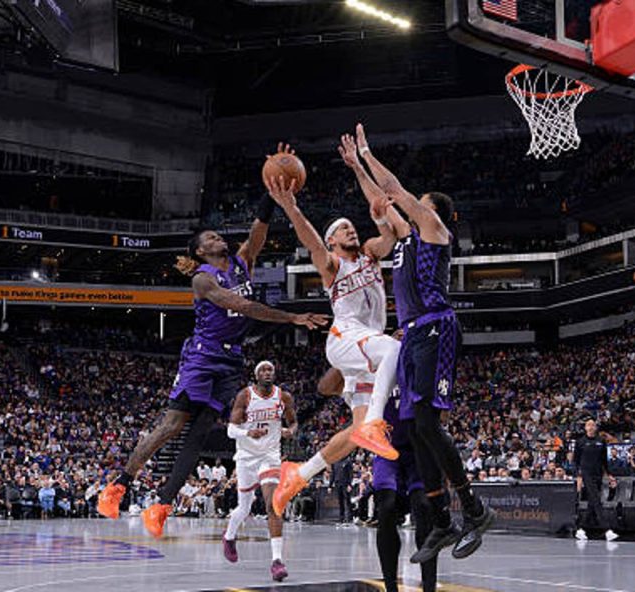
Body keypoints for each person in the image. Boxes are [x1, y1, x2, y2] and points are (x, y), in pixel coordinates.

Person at [97, 171, 329, 537]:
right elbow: (243, 305)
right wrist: (293, 317)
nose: (217, 236)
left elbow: (261, 225)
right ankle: (119, 485)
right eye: (209, 237)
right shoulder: (202, 279)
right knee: (172, 426)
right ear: (201, 251)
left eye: (217, 233)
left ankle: (161, 506)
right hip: (202, 357)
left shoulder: (242, 261)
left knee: (199, 435)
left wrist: (273, 188)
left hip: (231, 359)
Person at [356, 123, 494, 562]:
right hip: (413, 332)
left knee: (429, 424)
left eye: (419, 206)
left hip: (436, 326)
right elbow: (381, 203)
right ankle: (441, 520)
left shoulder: (434, 229)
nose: (411, 211)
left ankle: (473, 511)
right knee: (415, 430)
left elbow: (393, 190)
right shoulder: (405, 239)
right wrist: (355, 169)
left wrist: (367, 153)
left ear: (432, 211)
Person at [269, 133, 402, 517]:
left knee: (357, 433)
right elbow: (309, 238)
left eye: (351, 227)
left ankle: (297, 474)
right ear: (331, 241)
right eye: (343, 229)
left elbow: (390, 236)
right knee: (393, 349)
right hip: (345, 339)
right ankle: (376, 422)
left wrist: (375, 207)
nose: (351, 231)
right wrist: (292, 209)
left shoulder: (371, 255)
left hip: (366, 348)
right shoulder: (332, 265)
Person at [221, 361, 296, 582]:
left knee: (273, 504)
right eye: (262, 370)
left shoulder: (284, 397)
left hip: (270, 456)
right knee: (244, 507)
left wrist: (289, 431)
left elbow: (293, 423)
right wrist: (248, 433)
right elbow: (231, 430)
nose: (267, 372)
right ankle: (229, 536)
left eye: (270, 369)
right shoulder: (245, 396)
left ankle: (277, 561)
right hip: (246, 457)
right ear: (256, 375)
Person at [574, 418, 617, 540]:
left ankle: (581, 529)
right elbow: (576, 461)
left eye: (593, 425)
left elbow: (604, 460)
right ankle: (607, 530)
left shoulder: (601, 441)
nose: (591, 427)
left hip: (598, 474)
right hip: (586, 474)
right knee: (597, 500)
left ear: (596, 427)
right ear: (585, 428)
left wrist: (609, 474)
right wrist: (578, 476)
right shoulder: (580, 442)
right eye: (589, 425)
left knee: (592, 503)